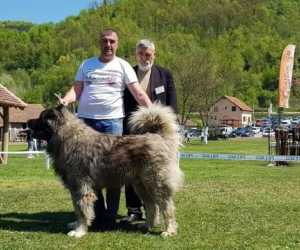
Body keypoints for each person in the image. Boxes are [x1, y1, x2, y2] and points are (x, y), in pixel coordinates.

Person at [59, 29, 152, 229]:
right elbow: (76, 89)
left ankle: (110, 217)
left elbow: (138, 93)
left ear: (117, 44)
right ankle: (96, 215)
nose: (108, 45)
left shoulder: (123, 65)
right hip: (85, 124)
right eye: (105, 41)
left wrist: (153, 113)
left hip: (112, 123)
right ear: (99, 43)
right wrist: (65, 100)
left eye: (112, 41)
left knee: (114, 172)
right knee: (86, 174)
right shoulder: (86, 64)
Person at [122, 39, 177, 224]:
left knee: (156, 175)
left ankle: (156, 211)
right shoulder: (128, 72)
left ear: (154, 54)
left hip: (158, 134)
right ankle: (134, 210)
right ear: (135, 55)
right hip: (132, 131)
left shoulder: (165, 74)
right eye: (141, 54)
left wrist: (170, 128)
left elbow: (172, 103)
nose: (144, 58)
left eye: (148, 54)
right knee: (131, 173)